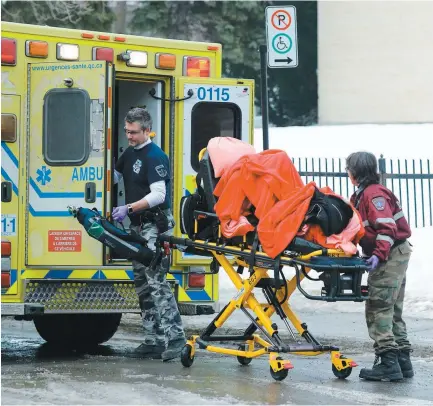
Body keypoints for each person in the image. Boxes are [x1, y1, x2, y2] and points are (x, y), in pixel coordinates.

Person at [112, 107, 186, 361]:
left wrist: (128, 207)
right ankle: (152, 340)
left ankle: (176, 339)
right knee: (142, 284)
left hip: (154, 226)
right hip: (137, 227)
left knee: (156, 282)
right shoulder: (130, 153)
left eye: (133, 132)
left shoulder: (155, 156)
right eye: (126, 131)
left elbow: (159, 195)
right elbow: (114, 175)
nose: (129, 136)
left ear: (146, 130)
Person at [346, 151, 413, 381]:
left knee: (379, 307)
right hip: (396, 253)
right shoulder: (365, 194)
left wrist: (378, 254)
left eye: (349, 170)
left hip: (390, 255)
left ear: (354, 173)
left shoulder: (373, 195)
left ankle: (388, 363)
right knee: (392, 309)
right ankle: (403, 361)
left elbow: (386, 228)